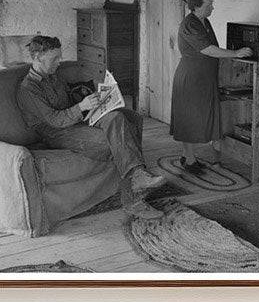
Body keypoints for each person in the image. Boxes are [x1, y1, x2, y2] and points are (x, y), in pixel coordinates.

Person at [15, 35, 166, 219]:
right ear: (37, 58)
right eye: (54, 58)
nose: (59, 62)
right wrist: (81, 107)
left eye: (59, 57)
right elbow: (54, 120)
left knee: (117, 118)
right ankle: (134, 200)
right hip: (56, 132)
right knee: (116, 141)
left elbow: (68, 102)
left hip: (76, 121)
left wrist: (94, 101)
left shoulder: (54, 76)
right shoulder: (28, 89)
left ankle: (138, 174)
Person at [169, 0, 251, 173]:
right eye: (209, 4)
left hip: (204, 78)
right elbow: (207, 49)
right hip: (191, 78)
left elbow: (211, 47)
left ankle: (189, 157)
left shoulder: (204, 21)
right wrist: (235, 53)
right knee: (189, 118)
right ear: (197, 6)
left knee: (199, 117)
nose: (212, 7)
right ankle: (190, 160)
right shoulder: (190, 24)